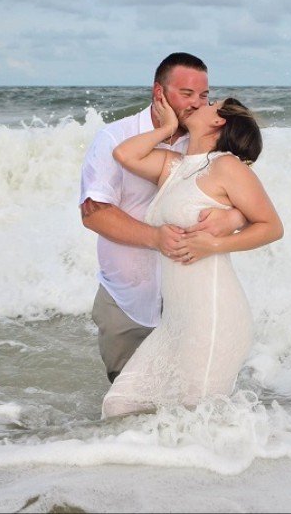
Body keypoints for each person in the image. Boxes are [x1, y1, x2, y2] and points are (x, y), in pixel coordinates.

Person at [101, 94, 284, 419]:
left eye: (210, 103)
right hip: (176, 322)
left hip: (213, 317)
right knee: (121, 405)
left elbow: (271, 227)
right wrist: (167, 127)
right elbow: (123, 154)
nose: (201, 103)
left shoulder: (226, 166)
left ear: (218, 121)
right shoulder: (173, 166)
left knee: (196, 419)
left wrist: (215, 244)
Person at [79, 53, 246, 384]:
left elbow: (245, 193)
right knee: (128, 399)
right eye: (187, 94)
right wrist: (155, 237)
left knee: (189, 396)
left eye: (204, 95)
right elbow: (93, 214)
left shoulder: (205, 140)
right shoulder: (115, 137)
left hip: (189, 296)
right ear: (159, 93)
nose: (198, 104)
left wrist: (233, 218)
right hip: (128, 299)